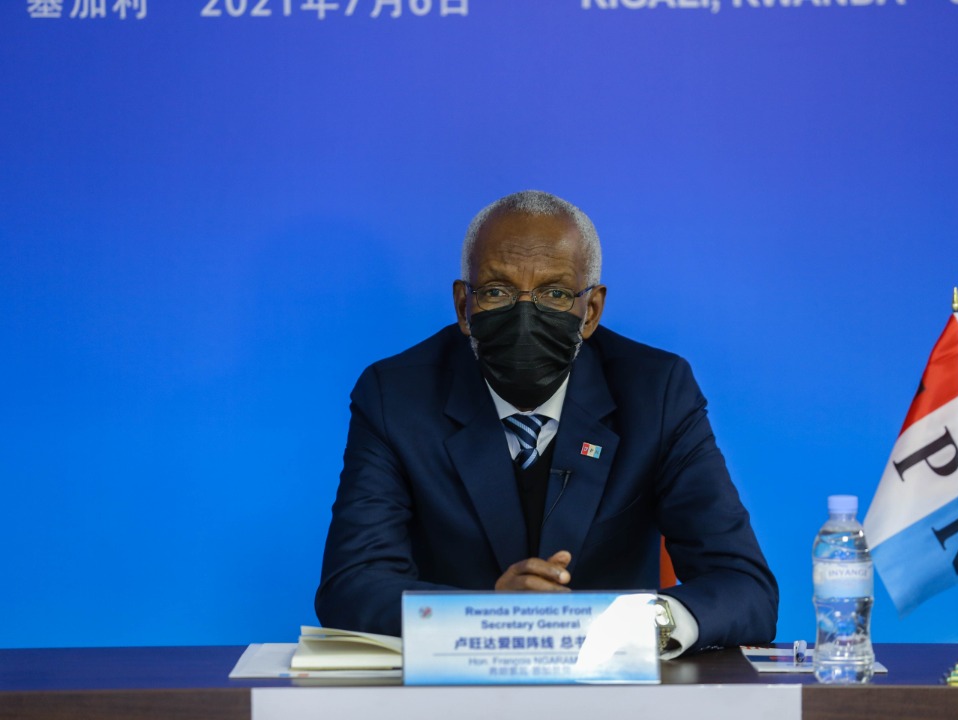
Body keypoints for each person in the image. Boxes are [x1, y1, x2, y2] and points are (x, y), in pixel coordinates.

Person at [316, 190, 778, 655]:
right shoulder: (397, 397)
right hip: (454, 682)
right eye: (496, 292)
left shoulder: (655, 392)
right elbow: (352, 586)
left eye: (555, 294)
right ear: (463, 307)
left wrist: (650, 623)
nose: (525, 316)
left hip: (613, 682)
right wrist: (489, 618)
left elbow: (744, 587)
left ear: (590, 311)